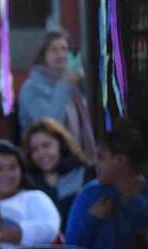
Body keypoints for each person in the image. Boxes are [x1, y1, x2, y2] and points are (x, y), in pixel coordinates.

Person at [65, 118, 148, 249]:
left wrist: (137, 208)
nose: (95, 164)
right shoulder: (89, 193)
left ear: (119, 159)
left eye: (101, 157)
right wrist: (91, 220)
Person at [18, 30, 95, 159]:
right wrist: (65, 84)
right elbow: (47, 124)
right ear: (43, 55)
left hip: (73, 158)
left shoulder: (72, 87)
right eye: (53, 50)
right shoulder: (31, 88)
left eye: (64, 49)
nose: (61, 54)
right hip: (43, 160)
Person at [0, 139, 61, 249]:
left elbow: (49, 229)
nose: (8, 174)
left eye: (13, 168)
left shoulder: (35, 198)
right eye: (0, 169)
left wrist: (1, 235)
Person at [22, 117, 94, 226]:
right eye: (34, 149)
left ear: (60, 144)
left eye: (46, 146)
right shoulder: (28, 183)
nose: (41, 153)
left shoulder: (83, 172)